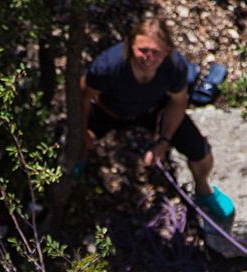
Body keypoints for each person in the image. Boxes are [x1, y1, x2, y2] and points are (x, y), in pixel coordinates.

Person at [80, 17, 234, 222]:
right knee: (74, 146)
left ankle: (204, 190)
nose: (148, 58)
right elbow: (83, 96)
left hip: (151, 109)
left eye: (156, 52)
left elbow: (178, 102)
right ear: (130, 45)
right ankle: (69, 184)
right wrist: (82, 131)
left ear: (167, 51)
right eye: (142, 50)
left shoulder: (174, 67)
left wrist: (164, 141)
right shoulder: (109, 65)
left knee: (200, 151)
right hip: (109, 111)